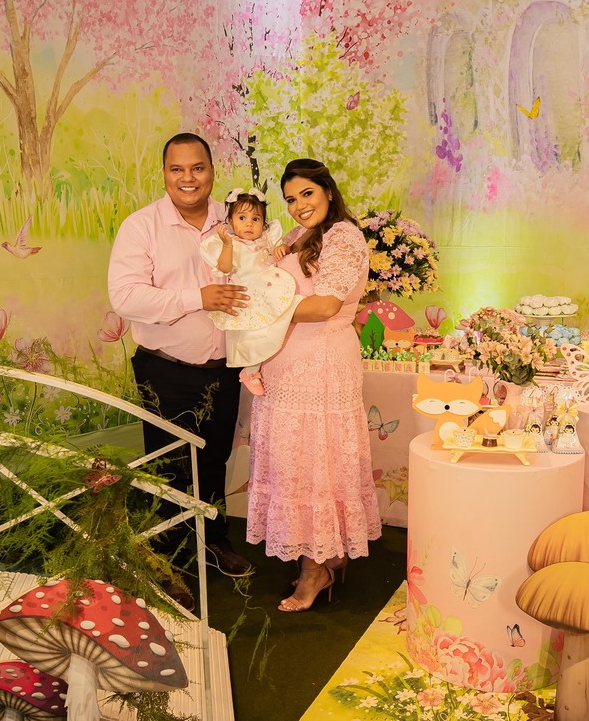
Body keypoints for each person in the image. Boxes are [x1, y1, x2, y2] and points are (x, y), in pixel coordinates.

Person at [107, 132, 255, 604]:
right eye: (177, 169)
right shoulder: (142, 226)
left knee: (214, 460)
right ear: (164, 174)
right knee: (168, 466)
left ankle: (213, 542)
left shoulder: (235, 221)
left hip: (225, 369)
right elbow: (125, 296)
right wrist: (197, 298)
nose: (188, 178)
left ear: (212, 171)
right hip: (165, 369)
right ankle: (165, 562)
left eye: (197, 168)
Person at [245, 158, 382, 612]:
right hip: (285, 361)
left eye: (307, 193)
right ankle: (323, 553)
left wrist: (259, 311)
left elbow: (325, 306)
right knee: (294, 461)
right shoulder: (295, 237)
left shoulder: (343, 236)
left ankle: (315, 569)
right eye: (290, 198)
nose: (299, 205)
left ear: (328, 191)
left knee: (316, 460)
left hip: (322, 361)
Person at [199, 188, 302, 395]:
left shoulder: (266, 238)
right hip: (248, 294)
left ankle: (267, 365)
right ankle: (251, 371)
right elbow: (225, 268)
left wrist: (282, 249)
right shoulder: (232, 244)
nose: (249, 224)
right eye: (242, 218)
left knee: (282, 319)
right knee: (252, 336)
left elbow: (277, 252)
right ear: (230, 222)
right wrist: (227, 245)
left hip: (269, 287)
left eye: (255, 219)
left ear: (263, 223)